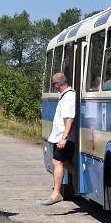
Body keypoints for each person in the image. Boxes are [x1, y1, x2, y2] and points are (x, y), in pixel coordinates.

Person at [42, 72, 76, 206]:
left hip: (64, 138)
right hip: (60, 137)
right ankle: (77, 185)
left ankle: (56, 193)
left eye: (54, 84)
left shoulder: (69, 97)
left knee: (57, 162)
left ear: (57, 85)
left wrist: (64, 138)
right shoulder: (66, 96)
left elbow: (69, 118)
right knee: (66, 164)